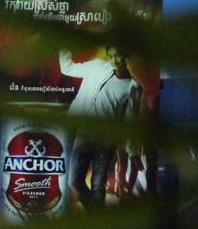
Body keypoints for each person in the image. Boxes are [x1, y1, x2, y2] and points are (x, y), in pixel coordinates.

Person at [59, 46, 144, 207]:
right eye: (110, 56)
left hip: (107, 140)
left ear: (126, 56)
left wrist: (133, 152)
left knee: (98, 185)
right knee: (74, 182)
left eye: (118, 56)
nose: (114, 60)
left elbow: (129, 121)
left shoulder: (134, 86)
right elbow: (67, 68)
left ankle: (96, 228)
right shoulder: (97, 66)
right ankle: (96, 218)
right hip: (85, 133)